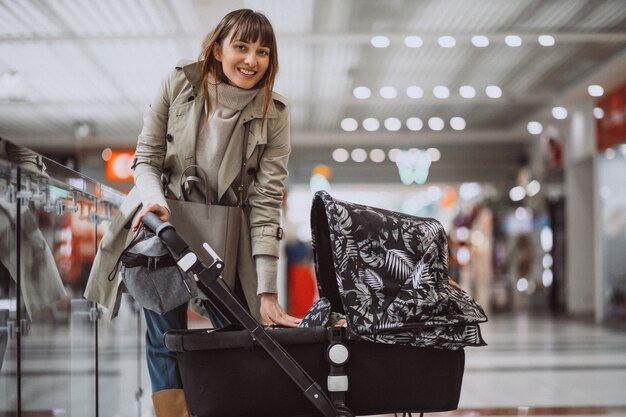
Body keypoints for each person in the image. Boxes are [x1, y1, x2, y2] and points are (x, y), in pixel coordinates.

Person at [85, 9, 300, 417]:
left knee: (241, 333)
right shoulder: (179, 82)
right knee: (165, 338)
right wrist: (152, 201)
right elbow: (145, 158)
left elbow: (266, 201)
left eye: (263, 51)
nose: (251, 60)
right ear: (218, 49)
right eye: (241, 46)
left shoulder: (276, 113)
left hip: (226, 237)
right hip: (162, 225)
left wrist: (267, 292)